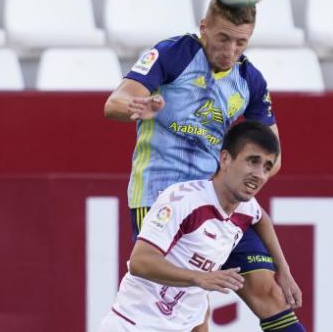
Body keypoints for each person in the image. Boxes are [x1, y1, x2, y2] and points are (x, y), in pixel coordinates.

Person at [104, 0, 305, 331]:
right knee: (189, 315)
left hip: (217, 200)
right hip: (159, 198)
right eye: (224, 38)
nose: (231, 50)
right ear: (204, 28)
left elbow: (275, 156)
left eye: (241, 42)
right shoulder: (175, 54)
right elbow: (114, 103)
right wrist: (138, 107)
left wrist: (236, 174)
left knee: (270, 293)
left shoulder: (249, 80)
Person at [98, 121, 297, 332]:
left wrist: (284, 270)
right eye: (252, 161)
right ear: (225, 158)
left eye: (267, 166)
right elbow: (140, 262)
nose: (259, 174)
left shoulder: (245, 207)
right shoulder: (184, 200)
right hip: (135, 325)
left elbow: (261, 218)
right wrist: (199, 277)